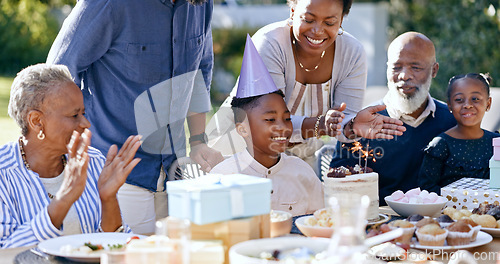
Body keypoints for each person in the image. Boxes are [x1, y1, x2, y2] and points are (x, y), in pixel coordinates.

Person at [46, 0, 223, 234]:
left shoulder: (200, 4)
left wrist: (198, 141)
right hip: (116, 175)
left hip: (175, 175)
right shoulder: (107, 4)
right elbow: (57, 75)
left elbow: (200, 71)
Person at [213, 0, 404, 168]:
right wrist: (321, 124)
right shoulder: (269, 43)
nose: (317, 30)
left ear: (341, 21)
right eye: (309, 19)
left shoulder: (352, 54)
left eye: (329, 22)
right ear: (293, 12)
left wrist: (351, 125)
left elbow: (342, 121)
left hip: (299, 158)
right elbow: (268, 122)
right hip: (238, 151)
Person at [0, 64, 141, 248]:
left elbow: (117, 245)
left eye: (83, 113)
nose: (86, 123)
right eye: (74, 115)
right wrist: (64, 199)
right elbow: (5, 252)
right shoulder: (4, 173)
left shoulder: (94, 161)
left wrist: (108, 199)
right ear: (36, 121)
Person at [330, 32, 457, 203]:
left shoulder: (452, 121)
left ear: (434, 70)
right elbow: (337, 183)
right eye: (396, 67)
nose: (404, 76)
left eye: (416, 67)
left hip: (436, 223)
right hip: (380, 222)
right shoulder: (363, 122)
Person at [210, 36, 324, 216]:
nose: (283, 128)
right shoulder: (222, 178)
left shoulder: (302, 172)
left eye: (287, 119)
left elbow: (320, 220)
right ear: (242, 128)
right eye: (270, 120)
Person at [418, 73, 500, 193]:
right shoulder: (440, 145)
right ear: (449, 105)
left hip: (490, 211)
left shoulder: (496, 142)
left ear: (488, 103)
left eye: (475, 99)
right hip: (448, 211)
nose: (467, 105)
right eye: (459, 100)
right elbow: (427, 188)